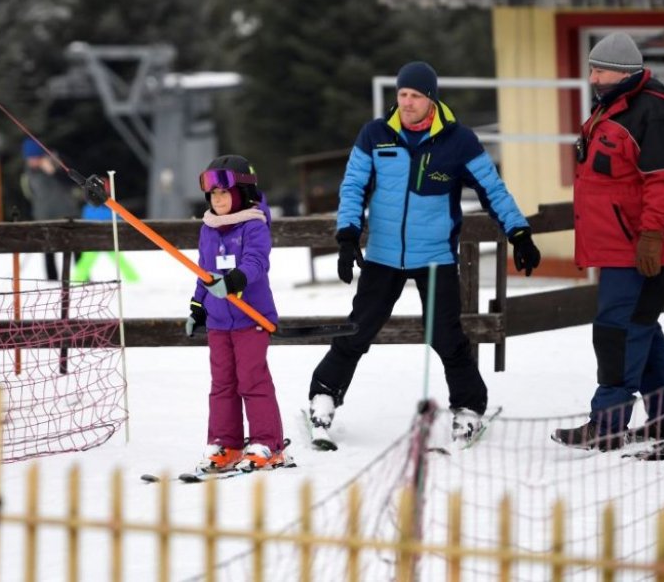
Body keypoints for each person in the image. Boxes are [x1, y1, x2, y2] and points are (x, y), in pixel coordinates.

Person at [307, 61, 542, 442]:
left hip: (435, 257)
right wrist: (347, 235)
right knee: (358, 329)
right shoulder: (375, 135)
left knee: (446, 336)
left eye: (415, 95)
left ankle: (468, 407)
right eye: (402, 94)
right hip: (383, 256)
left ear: (431, 99)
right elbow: (352, 186)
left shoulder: (459, 141)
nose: (407, 102)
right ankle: (323, 394)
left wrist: (519, 233)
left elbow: (492, 189)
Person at [552, 32, 664, 451]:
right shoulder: (612, 107)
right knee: (640, 327)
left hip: (645, 248)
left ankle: (607, 424)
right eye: (591, 69)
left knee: (617, 332)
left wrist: (651, 236)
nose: (592, 78)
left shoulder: (653, 112)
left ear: (623, 72)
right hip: (621, 245)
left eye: (599, 70)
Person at [186, 155, 290, 472]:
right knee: (222, 385)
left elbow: (257, 262)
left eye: (224, 192)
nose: (217, 199)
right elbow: (204, 272)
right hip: (219, 323)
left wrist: (233, 281)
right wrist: (198, 306)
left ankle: (267, 444)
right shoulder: (208, 229)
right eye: (213, 194)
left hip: (251, 319)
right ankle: (226, 444)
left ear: (241, 193)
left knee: (252, 381)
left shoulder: (253, 225)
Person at [20, 137, 80, 280]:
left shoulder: (59, 164)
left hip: (68, 214)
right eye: (30, 158)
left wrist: (54, 172)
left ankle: (82, 278)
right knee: (48, 251)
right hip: (44, 217)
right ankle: (52, 281)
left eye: (35, 157)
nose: (32, 161)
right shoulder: (28, 174)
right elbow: (29, 195)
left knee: (76, 248)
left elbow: (73, 184)